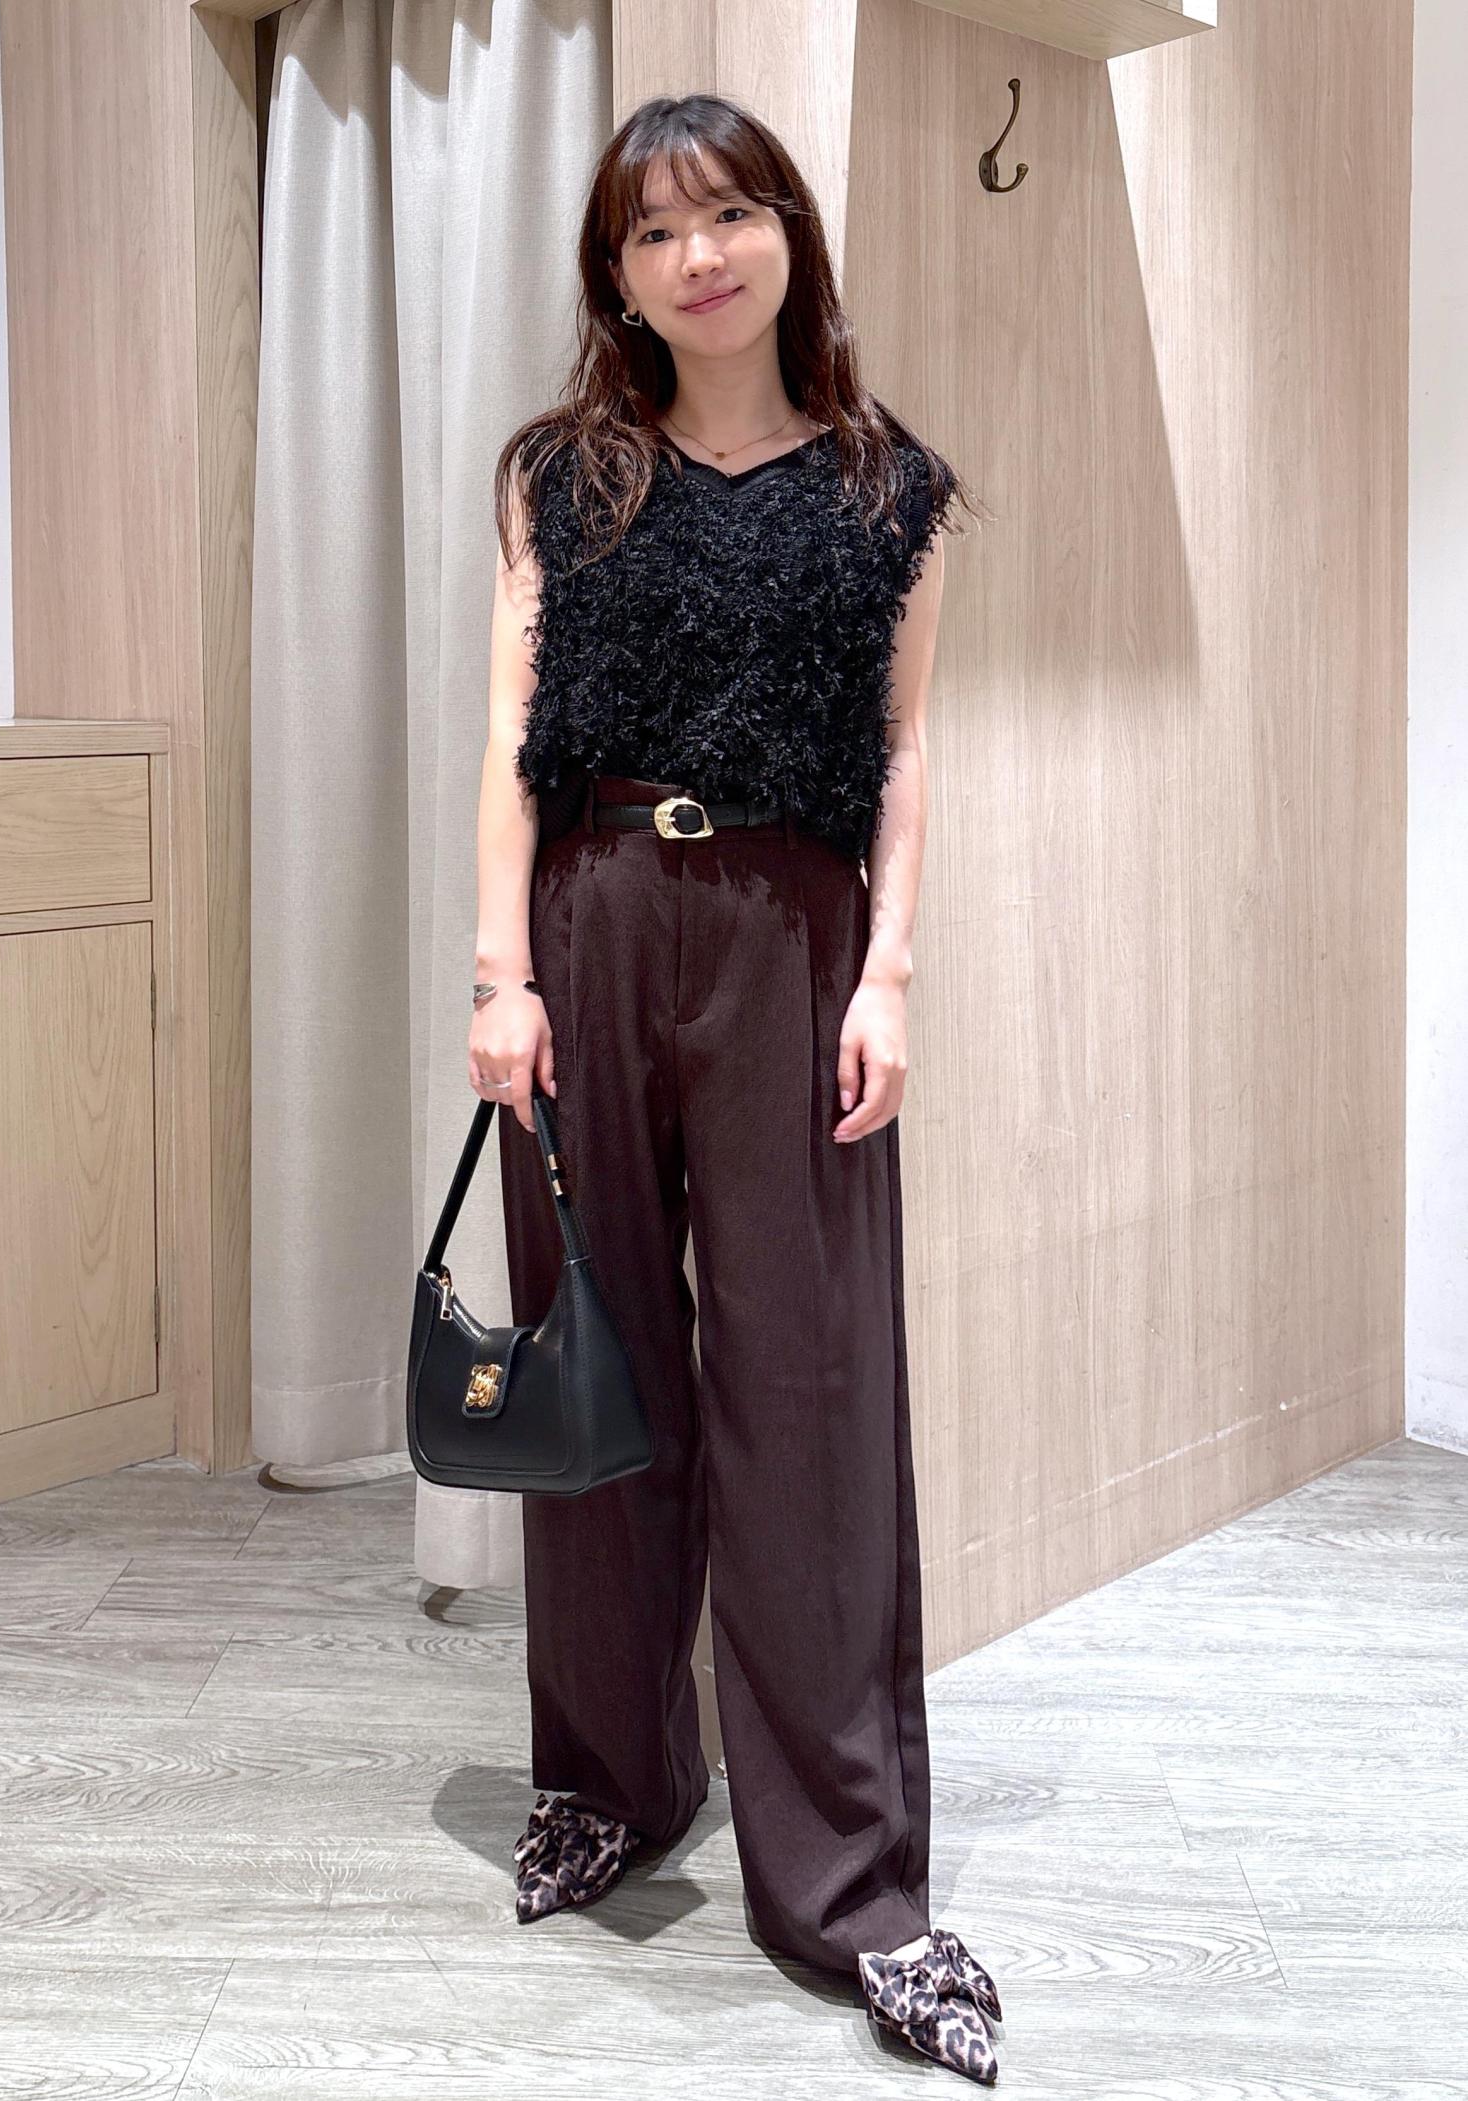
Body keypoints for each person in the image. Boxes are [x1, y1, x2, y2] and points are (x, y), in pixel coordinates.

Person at [469, 93, 1002, 2085]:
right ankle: (612, 1778)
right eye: (653, 230)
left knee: (811, 1397)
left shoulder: (888, 485)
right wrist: (500, 975)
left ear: (789, 232)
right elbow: (511, 734)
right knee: (599, 1376)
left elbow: (908, 752)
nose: (698, 256)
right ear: (615, 276)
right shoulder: (563, 476)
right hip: (594, 915)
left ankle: (852, 1882)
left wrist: (891, 974)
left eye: (730, 213)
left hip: (794, 934)